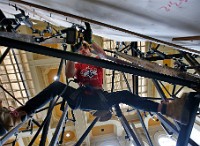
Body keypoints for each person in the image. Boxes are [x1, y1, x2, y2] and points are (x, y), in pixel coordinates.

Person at [0, 23, 197, 136]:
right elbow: (68, 76)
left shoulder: (94, 62)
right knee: (56, 87)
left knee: (124, 94)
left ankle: (167, 109)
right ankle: (22, 113)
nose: (84, 51)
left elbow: (102, 56)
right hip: (81, 97)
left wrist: (89, 41)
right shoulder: (78, 65)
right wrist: (73, 53)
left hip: (98, 98)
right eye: (83, 50)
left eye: (85, 50)